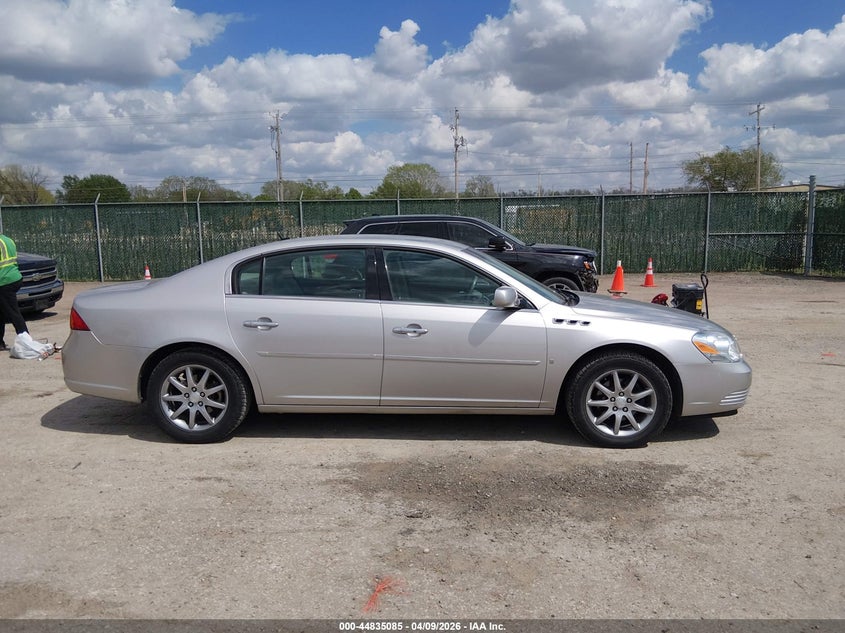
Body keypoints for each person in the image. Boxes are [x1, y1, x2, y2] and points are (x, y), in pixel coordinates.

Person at [0, 232, 29, 352]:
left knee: (13, 313)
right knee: (1, 313)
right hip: (14, 278)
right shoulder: (8, 240)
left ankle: (26, 341)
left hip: (4, 281)